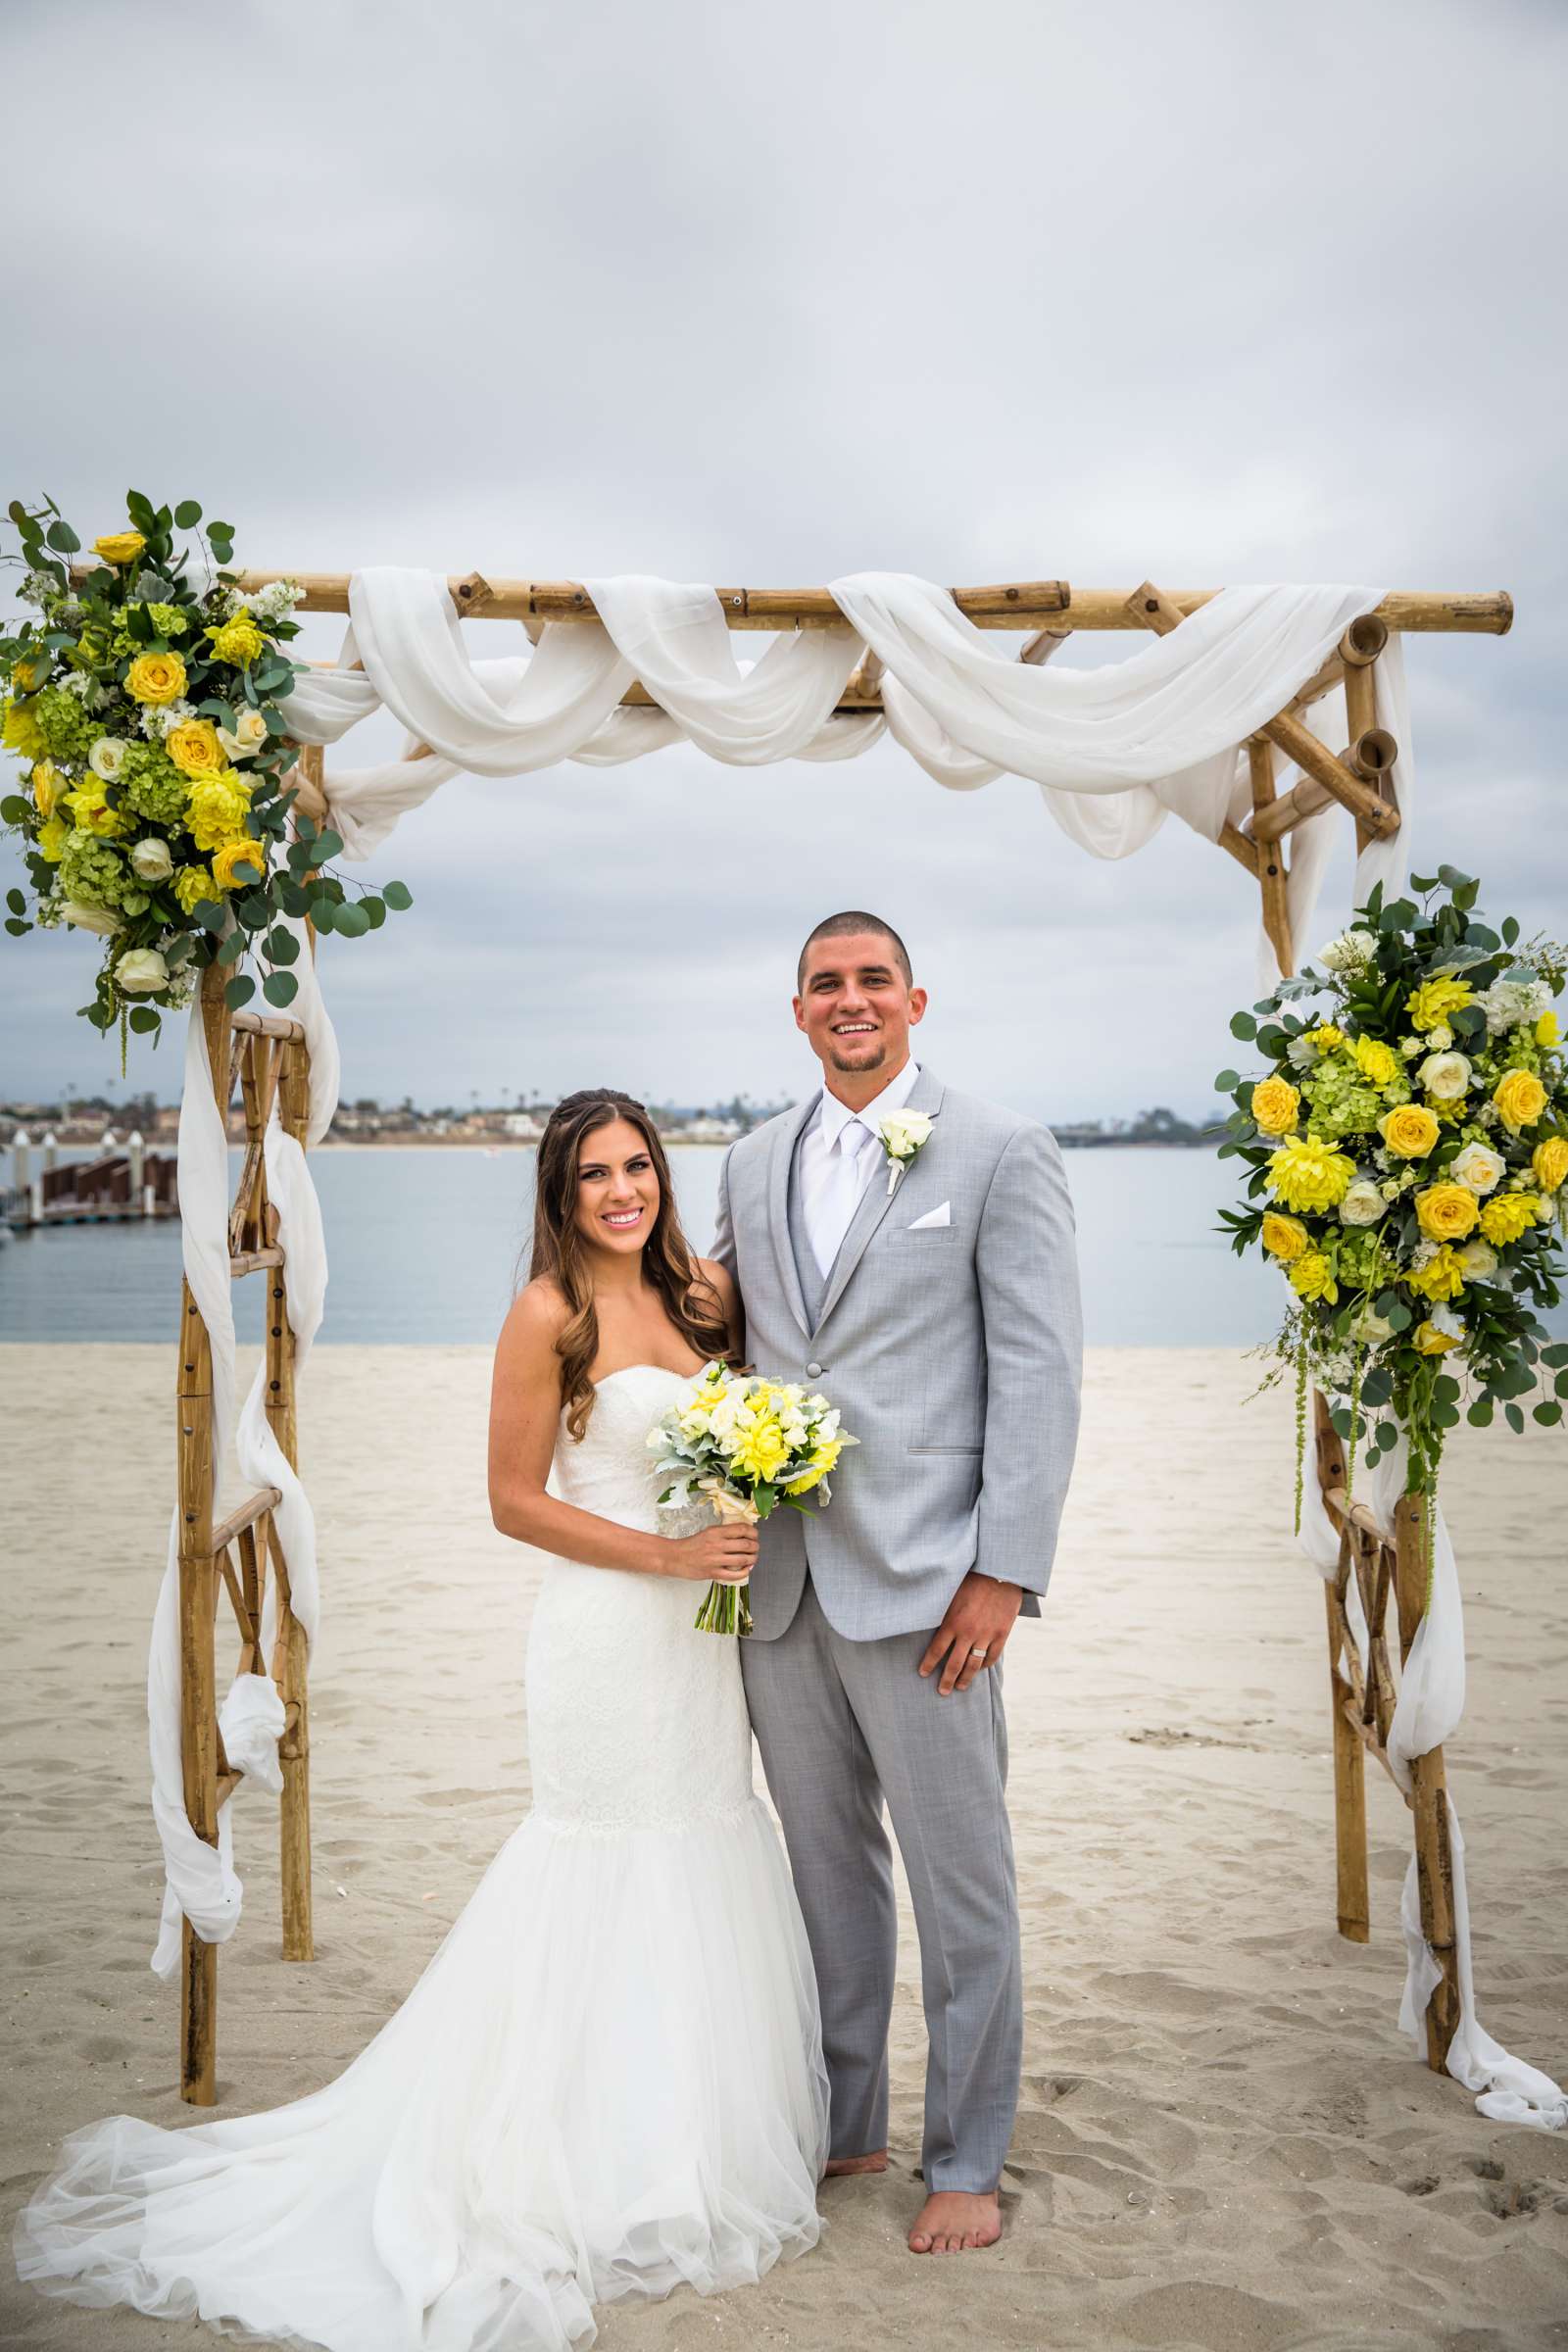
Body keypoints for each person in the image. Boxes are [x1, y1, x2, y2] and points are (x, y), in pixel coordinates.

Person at [15, 1088, 828, 2352]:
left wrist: (753, 1492)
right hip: (610, 1635)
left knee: (707, 1839)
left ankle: (681, 2135)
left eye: (638, 1169)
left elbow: (759, 1422)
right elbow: (512, 1502)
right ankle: (563, 2153)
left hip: (707, 1647)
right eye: (594, 1177)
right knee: (605, 1855)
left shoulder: (704, 1297)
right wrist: (667, 1561)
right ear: (560, 1196)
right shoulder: (544, 1313)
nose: (623, 1193)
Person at [712, 911, 1083, 2256]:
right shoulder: (752, 1161)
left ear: (914, 1001)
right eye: (826, 984)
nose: (850, 1001)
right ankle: (850, 2123)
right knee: (826, 1879)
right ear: (797, 1009)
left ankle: (969, 2156)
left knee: (960, 1880)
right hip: (782, 1586)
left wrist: (1004, 1571)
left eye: (873, 981)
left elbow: (1040, 1372)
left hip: (931, 1585)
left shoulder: (999, 1149)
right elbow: (737, 1342)